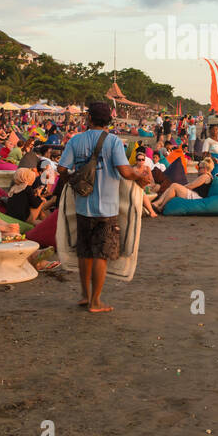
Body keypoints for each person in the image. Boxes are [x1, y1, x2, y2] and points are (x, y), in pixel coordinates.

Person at [58, 101, 151, 314]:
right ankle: (96, 301)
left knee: (85, 252)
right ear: (107, 120)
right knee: (100, 255)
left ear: (89, 118)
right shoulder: (113, 142)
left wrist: (73, 181)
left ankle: (84, 295)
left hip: (82, 205)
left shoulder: (76, 141)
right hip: (107, 208)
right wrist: (140, 174)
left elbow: (62, 168)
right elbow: (125, 172)